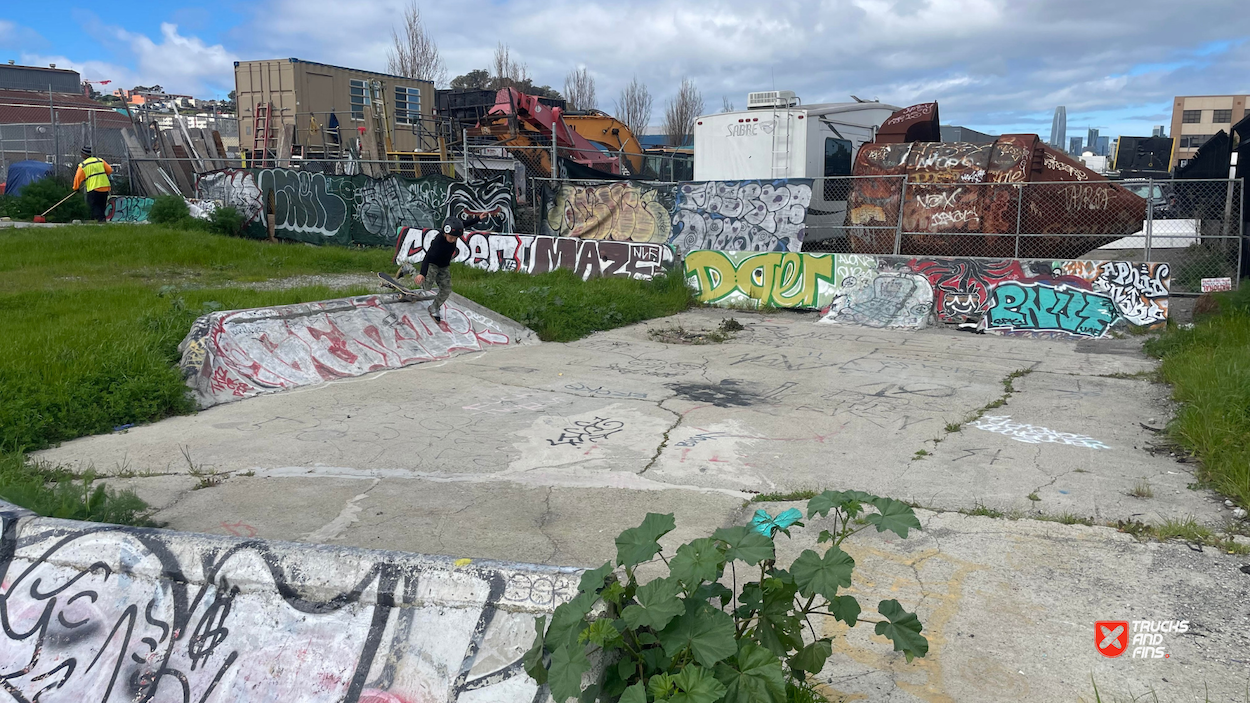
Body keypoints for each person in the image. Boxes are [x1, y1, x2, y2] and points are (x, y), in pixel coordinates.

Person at [415, 211, 484, 322]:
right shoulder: (438, 242)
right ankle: (409, 269)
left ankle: (434, 307)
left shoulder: (454, 232)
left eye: (456, 238)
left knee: (446, 290)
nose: (453, 240)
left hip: (444, 267)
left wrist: (478, 219)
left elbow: (463, 225)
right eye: (451, 238)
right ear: (445, 233)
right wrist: (422, 273)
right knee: (425, 287)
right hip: (432, 264)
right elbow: (427, 257)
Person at [72, 147, 113, 223]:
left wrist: (76, 188)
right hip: (105, 186)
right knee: (102, 205)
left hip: (94, 187)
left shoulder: (83, 165)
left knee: (93, 205)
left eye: (82, 153)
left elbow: (77, 178)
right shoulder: (100, 160)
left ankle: (100, 219)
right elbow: (109, 170)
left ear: (84, 154)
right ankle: (101, 219)